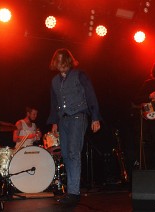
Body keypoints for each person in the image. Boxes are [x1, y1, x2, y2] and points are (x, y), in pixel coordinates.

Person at [47, 48, 101, 205]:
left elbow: (91, 95)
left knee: (73, 152)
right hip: (63, 120)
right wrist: (54, 123)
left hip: (78, 116)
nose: (61, 65)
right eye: (58, 62)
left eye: (64, 61)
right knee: (65, 153)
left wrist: (95, 117)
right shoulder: (54, 81)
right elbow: (54, 103)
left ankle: (74, 192)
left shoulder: (80, 75)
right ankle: (72, 190)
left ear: (69, 62)